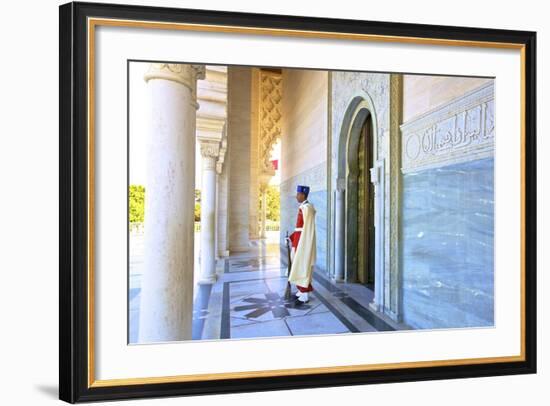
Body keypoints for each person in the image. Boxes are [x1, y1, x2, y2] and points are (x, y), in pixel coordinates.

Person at [286, 185, 317, 304]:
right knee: (296, 264)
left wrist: (301, 243)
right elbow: (300, 228)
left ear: (303, 195)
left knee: (302, 265)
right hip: (299, 240)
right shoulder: (303, 207)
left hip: (303, 242)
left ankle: (304, 294)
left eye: (298, 194)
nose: (296, 196)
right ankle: (300, 290)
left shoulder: (307, 208)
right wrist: (292, 237)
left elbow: (307, 229)